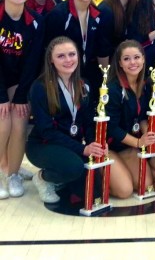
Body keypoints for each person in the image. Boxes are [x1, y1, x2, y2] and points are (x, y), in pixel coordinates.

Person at [26, 37, 105, 203]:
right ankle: (43, 178)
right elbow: (47, 131)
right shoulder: (40, 88)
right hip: (43, 145)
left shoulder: (85, 85)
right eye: (61, 56)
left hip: (71, 145)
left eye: (72, 54)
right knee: (74, 168)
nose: (68, 60)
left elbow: (89, 122)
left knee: (94, 193)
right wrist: (82, 149)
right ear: (51, 60)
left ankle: (61, 177)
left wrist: (94, 145)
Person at [0, 0, 44, 200]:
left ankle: (13, 174)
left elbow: (32, 62)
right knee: (2, 122)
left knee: (19, 122)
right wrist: (1, 97)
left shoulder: (35, 22)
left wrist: (19, 97)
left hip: (19, 81)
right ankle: (1, 171)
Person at [105, 40, 155, 198]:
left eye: (136, 57)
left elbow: (142, 117)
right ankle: (93, 174)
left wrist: (149, 136)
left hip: (128, 146)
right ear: (120, 63)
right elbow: (111, 128)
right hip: (109, 145)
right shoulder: (112, 89)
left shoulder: (146, 85)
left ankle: (120, 170)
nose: (133, 62)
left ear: (143, 59)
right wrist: (138, 142)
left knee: (146, 184)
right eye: (127, 59)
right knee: (125, 191)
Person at [44, 0, 102, 97]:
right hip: (60, 78)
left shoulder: (98, 15)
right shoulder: (58, 14)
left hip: (87, 78)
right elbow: (48, 50)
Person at [97, 0, 138, 67]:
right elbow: (102, 49)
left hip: (126, 63)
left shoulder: (135, 6)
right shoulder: (105, 10)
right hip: (109, 66)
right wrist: (106, 76)